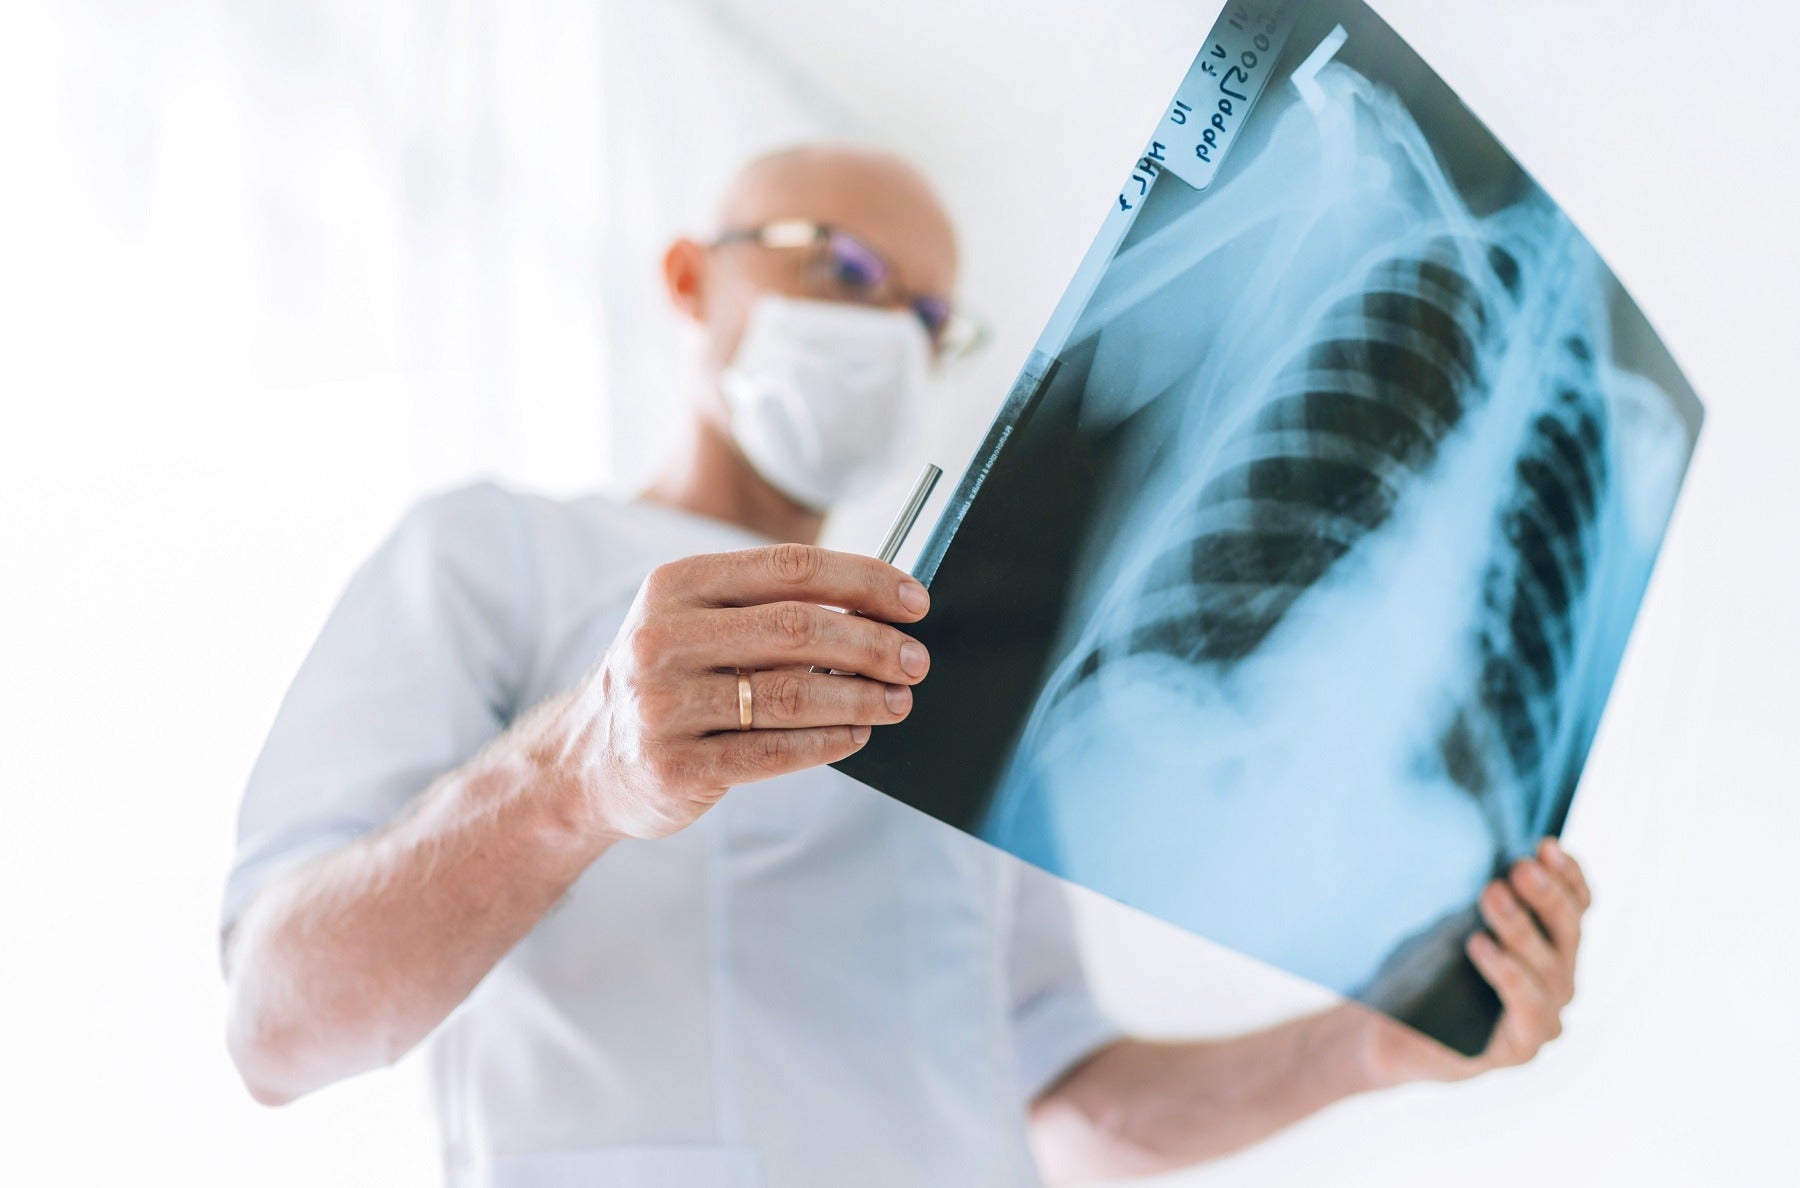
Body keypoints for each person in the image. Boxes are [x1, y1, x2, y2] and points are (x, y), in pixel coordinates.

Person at [222, 144, 1591, 1187]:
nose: (887, 333)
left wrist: (1363, 1048)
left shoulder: (964, 638)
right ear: (694, 278)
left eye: (928, 315)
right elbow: (278, 1023)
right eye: (841, 270)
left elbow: (1065, 1095)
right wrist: (575, 773)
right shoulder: (497, 553)